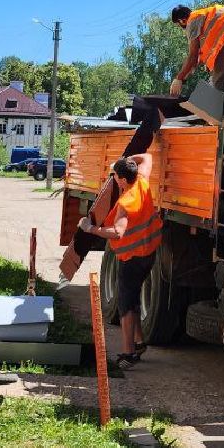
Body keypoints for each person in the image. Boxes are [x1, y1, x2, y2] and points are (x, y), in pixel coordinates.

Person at [82, 153, 161, 366]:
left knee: (126, 305)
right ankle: (139, 341)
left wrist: (92, 229)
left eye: (115, 174)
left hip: (132, 258)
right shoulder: (142, 181)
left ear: (123, 180)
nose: (113, 178)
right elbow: (147, 157)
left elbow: (117, 233)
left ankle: (129, 353)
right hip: (148, 254)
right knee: (133, 298)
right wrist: (127, 159)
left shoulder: (127, 202)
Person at [168, 3, 224, 96]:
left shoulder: (192, 20)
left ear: (182, 20)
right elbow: (196, 59)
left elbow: (192, 56)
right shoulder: (206, 14)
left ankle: (220, 107)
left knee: (220, 75)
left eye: (179, 25)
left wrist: (179, 78)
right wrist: (187, 73)